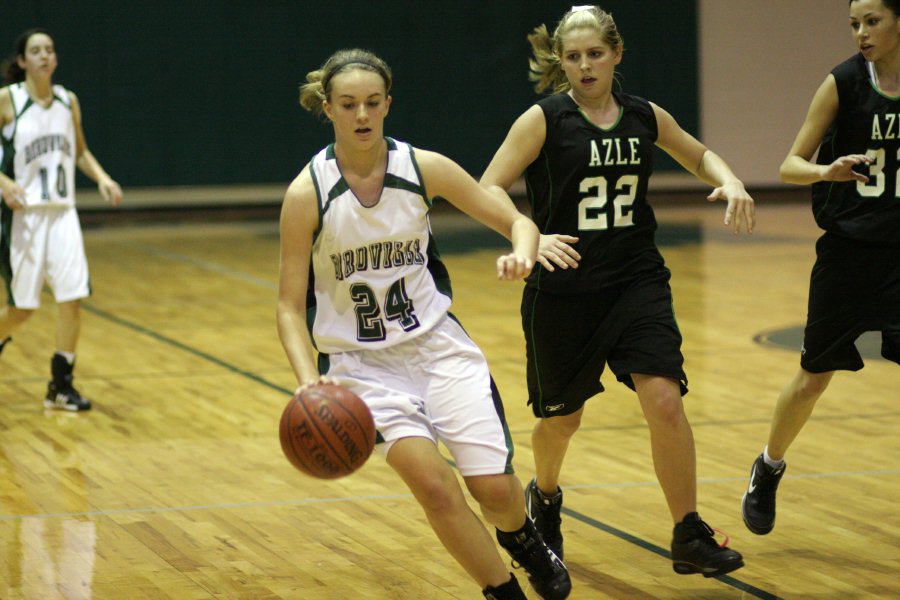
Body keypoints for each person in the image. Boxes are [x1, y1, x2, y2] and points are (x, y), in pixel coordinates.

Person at [276, 48, 571, 600]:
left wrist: (524, 252)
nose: (361, 115)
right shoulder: (306, 194)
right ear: (328, 108)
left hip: (437, 349)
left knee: (493, 490)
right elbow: (290, 306)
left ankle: (525, 539)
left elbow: (514, 219)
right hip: (361, 370)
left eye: (371, 102)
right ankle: (502, 591)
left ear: (388, 103)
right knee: (436, 488)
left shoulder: (422, 168)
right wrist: (307, 380)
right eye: (348, 104)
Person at [479, 6, 754, 577]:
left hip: (635, 279)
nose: (584, 66)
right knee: (563, 419)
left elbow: (696, 152)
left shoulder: (643, 115)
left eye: (595, 55)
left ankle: (688, 532)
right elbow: (488, 187)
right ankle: (546, 495)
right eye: (574, 57)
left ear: (616, 55)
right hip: (565, 290)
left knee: (664, 399)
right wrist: (527, 232)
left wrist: (727, 179)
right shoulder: (544, 119)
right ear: (561, 61)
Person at [741, 0, 900, 536]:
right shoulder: (843, 84)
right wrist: (825, 171)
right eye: (854, 23)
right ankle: (768, 466)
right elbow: (788, 166)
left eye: (871, 21)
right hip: (849, 255)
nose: (860, 32)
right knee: (814, 378)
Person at [0, 28, 123, 410]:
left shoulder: (69, 101)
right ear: (22, 61)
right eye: (35, 50)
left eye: (49, 50)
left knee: (72, 297)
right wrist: (4, 183)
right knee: (23, 309)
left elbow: (80, 152)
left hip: (63, 213)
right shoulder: (8, 99)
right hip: (24, 217)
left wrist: (102, 178)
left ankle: (60, 385)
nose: (44, 56)